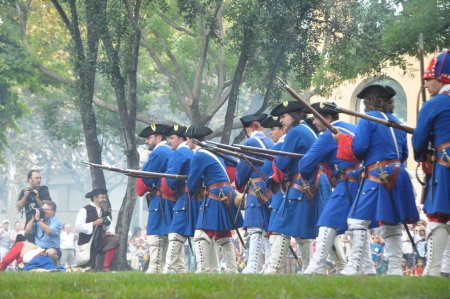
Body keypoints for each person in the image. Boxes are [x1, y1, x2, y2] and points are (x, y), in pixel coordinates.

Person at [335, 84, 419, 275]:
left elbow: (359, 149)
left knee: (356, 220)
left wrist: (342, 140)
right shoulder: (397, 122)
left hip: (377, 173)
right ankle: (396, 269)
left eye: (366, 101)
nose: (364, 105)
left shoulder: (367, 120)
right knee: (392, 224)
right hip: (399, 173)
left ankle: (353, 267)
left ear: (372, 101)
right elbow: (404, 154)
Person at [301, 102, 375, 275]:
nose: (314, 123)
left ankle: (316, 266)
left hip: (348, 182)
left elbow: (305, 165)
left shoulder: (329, 134)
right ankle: (367, 267)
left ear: (327, 118)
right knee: (358, 225)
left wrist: (321, 161)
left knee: (328, 220)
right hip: (363, 180)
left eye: (317, 119)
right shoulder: (353, 127)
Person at [266, 101, 331, 274]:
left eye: (283, 117)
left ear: (293, 116)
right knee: (305, 231)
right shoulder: (308, 130)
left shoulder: (295, 132)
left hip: (301, 184)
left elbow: (282, 162)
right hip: (312, 182)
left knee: (281, 226)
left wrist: (276, 154)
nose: (281, 121)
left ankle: (273, 269)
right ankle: (310, 269)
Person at [412, 50, 450, 277]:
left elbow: (418, 140)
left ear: (443, 78)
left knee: (439, 215)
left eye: (429, 79)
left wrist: (421, 156)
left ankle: (434, 269)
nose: (426, 84)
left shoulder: (435, 104)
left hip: (445, 163)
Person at [186, 125, 243, 273]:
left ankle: (204, 269)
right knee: (223, 234)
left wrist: (195, 187)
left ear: (193, 140)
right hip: (225, 192)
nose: (187, 143)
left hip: (215, 193)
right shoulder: (214, 152)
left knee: (200, 233)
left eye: (187, 140)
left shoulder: (199, 155)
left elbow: (192, 184)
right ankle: (231, 270)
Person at [235, 113, 274, 274]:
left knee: (254, 228)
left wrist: (239, 182)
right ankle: (269, 265)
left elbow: (242, 172)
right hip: (269, 190)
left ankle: (252, 265)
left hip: (255, 189)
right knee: (264, 229)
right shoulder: (269, 141)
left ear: (248, 128)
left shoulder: (251, 142)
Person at [135, 123, 173, 273]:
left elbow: (146, 179)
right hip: (167, 198)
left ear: (158, 137)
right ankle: (164, 267)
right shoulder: (168, 150)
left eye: (148, 138)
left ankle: (155, 267)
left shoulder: (159, 152)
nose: (146, 141)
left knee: (155, 233)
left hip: (160, 199)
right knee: (166, 235)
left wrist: (140, 178)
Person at [159, 125, 196, 273]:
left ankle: (169, 269)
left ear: (181, 139)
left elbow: (171, 181)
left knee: (175, 233)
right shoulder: (190, 153)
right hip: (193, 197)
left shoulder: (178, 154)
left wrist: (167, 190)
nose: (169, 141)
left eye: (172, 138)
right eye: (168, 138)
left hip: (184, 198)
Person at [75, 188, 119, 272]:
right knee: (86, 269)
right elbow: (78, 226)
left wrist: (110, 231)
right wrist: (93, 224)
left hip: (100, 240)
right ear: (95, 198)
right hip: (87, 242)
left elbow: (110, 225)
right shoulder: (84, 210)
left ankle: (105, 267)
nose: (104, 200)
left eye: (105, 198)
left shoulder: (105, 212)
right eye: (102, 197)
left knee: (114, 240)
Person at [16, 170, 51, 241]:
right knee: (30, 247)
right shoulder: (24, 191)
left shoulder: (44, 191)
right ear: (30, 180)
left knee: (42, 248)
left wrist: (37, 198)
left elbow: (48, 208)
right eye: (36, 178)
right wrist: (25, 196)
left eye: (40, 178)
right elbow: (18, 207)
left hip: (43, 224)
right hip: (30, 223)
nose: (39, 180)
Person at [24, 200, 62, 265]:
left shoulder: (56, 222)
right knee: (24, 248)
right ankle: (21, 268)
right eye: (42, 209)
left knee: (50, 252)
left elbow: (49, 231)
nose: (44, 211)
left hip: (53, 248)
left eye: (46, 209)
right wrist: (33, 217)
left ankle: (56, 266)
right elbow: (27, 231)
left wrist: (38, 220)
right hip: (38, 249)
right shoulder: (40, 221)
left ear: (53, 211)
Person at [0, 234, 65, 272]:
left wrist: (1, 269)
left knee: (33, 269)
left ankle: (47, 271)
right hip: (46, 258)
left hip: (35, 261)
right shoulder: (32, 244)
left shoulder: (19, 244)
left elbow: (7, 259)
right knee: (50, 267)